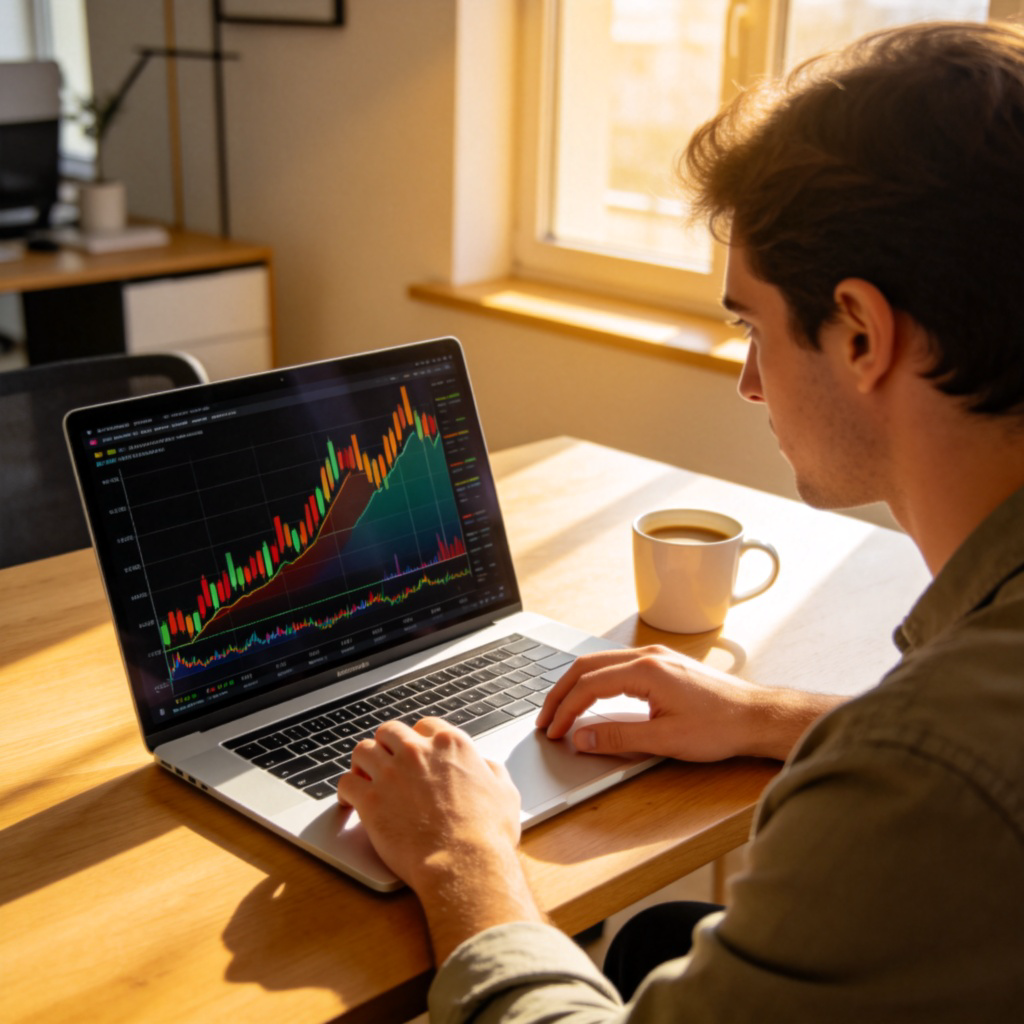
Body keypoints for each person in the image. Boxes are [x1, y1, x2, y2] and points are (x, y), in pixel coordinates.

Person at [337, 20, 1024, 1022]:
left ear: (863, 333)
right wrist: (770, 715)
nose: (749, 382)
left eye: (751, 325)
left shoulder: (927, 769)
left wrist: (461, 854)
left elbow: (944, 776)